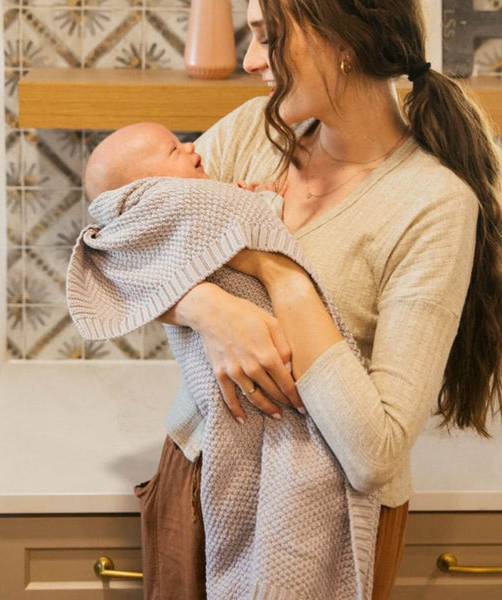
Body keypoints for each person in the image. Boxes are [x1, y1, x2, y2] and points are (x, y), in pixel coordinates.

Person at [134, 0, 502, 599]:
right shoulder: (253, 132)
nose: (252, 62)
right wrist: (209, 310)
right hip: (197, 471)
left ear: (341, 39)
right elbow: (110, 247)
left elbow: (374, 454)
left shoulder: (433, 205)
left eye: (266, 36)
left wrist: (275, 271)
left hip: (324, 521)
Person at [82, 121, 287, 207]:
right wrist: (266, 198)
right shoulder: (179, 213)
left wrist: (237, 195)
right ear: (150, 188)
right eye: (174, 150)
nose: (190, 146)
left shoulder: (203, 201)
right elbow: (254, 226)